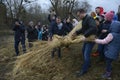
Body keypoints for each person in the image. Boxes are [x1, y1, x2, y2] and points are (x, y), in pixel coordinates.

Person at [94, 12, 120, 79]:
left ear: (112, 27)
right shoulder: (118, 35)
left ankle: (108, 74)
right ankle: (109, 69)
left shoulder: (111, 35)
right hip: (115, 54)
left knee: (108, 63)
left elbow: (104, 41)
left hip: (109, 53)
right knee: (109, 62)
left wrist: (95, 40)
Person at [72, 8, 97, 77]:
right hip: (87, 39)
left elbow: (93, 28)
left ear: (82, 13)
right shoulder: (84, 20)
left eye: (79, 15)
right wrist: (77, 32)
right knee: (83, 51)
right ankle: (88, 64)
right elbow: (83, 29)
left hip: (90, 39)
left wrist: (85, 35)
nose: (78, 17)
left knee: (86, 54)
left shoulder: (89, 18)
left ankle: (83, 70)